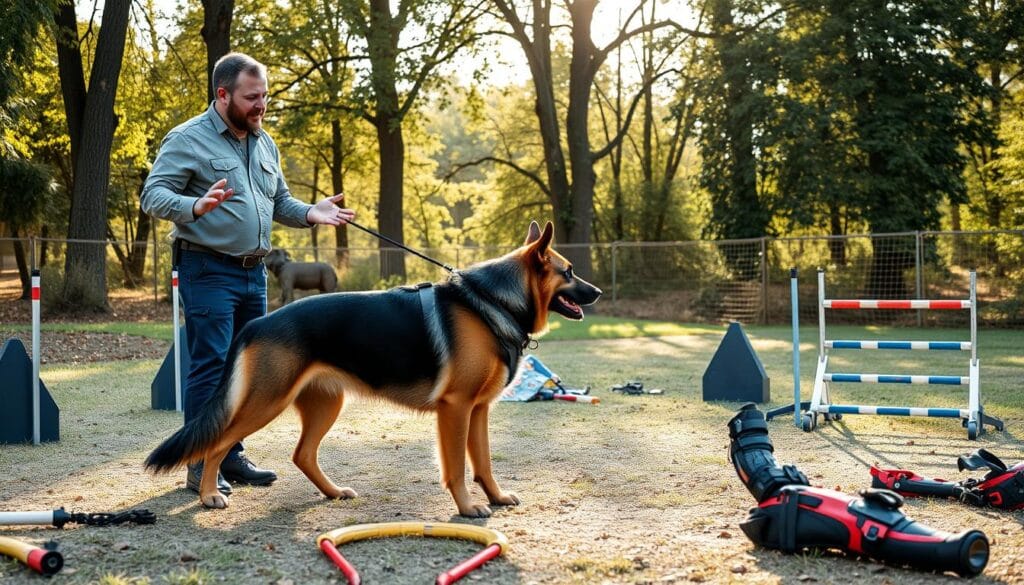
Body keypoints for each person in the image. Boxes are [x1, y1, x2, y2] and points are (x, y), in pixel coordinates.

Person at [141, 52, 355, 495]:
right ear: (223, 95)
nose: (262, 105)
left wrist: (312, 213)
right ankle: (201, 465)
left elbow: (279, 202)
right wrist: (193, 206)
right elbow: (153, 194)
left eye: (265, 96)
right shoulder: (188, 139)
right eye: (252, 97)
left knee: (247, 371)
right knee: (211, 365)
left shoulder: (264, 142)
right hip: (207, 269)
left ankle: (230, 455)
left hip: (253, 273)